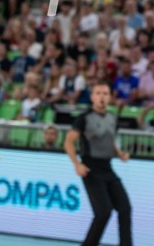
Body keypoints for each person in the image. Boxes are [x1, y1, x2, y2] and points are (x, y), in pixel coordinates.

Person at [64, 82, 132, 246]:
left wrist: (119, 153)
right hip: (91, 169)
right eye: (98, 93)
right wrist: (77, 164)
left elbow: (110, 140)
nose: (102, 97)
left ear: (110, 97)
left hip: (108, 168)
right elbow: (68, 142)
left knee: (125, 209)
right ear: (92, 97)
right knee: (103, 212)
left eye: (105, 93)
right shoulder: (84, 118)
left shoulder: (112, 118)